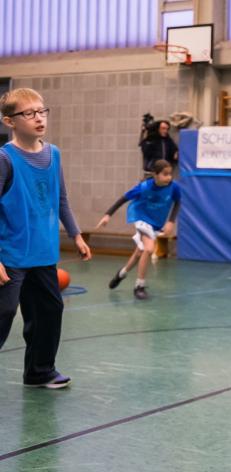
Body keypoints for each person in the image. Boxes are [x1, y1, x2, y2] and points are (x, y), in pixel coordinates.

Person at [0, 88, 92, 389]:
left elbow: (61, 199)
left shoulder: (54, 154)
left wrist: (76, 234)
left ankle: (40, 371)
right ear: (9, 121)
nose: (38, 118)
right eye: (28, 113)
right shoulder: (5, 159)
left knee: (49, 311)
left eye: (42, 111)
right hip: (10, 254)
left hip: (43, 252)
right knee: (4, 312)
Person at [96, 160, 182, 300]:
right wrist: (108, 215)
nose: (169, 177)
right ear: (155, 174)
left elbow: (178, 201)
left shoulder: (174, 187)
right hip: (140, 217)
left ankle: (121, 274)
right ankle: (139, 286)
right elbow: (123, 198)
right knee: (148, 249)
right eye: (165, 174)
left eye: (170, 174)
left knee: (140, 252)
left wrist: (171, 221)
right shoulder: (143, 187)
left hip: (156, 223)